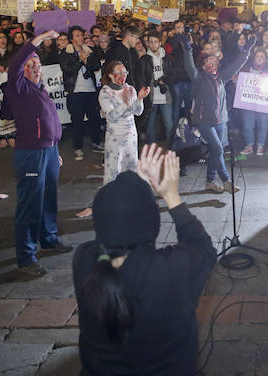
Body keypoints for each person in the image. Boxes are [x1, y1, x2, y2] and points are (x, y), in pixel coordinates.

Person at [73, 144, 215, 376]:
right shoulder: (169, 270)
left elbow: (120, 218)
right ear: (151, 222)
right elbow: (204, 249)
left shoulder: (84, 262)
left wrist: (137, 183)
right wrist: (171, 196)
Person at [1, 29, 72, 278]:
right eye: (30, 65)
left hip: (48, 151)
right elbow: (15, 66)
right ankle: (26, 258)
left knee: (49, 198)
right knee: (30, 205)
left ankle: (49, 239)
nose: (35, 68)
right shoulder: (17, 87)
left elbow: (47, 120)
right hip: (31, 153)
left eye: (38, 64)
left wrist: (54, 149)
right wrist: (37, 41)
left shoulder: (39, 88)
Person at [179, 31, 255, 193]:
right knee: (218, 149)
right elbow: (189, 66)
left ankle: (210, 181)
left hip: (221, 120)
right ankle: (226, 180)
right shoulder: (198, 78)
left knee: (215, 150)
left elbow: (236, 65)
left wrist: (247, 50)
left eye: (214, 61)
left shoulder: (222, 77)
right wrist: (187, 49)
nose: (211, 63)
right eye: (208, 61)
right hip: (204, 121)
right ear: (203, 66)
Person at [98, 60, 149, 184]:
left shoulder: (129, 88)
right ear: (110, 75)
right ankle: (111, 194)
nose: (123, 76)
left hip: (130, 135)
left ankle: (130, 193)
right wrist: (125, 103)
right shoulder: (105, 92)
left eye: (125, 72)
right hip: (115, 136)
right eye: (119, 73)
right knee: (113, 170)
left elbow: (138, 112)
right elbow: (111, 116)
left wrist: (139, 99)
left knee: (131, 168)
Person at [60, 26, 104, 161]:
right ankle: (78, 147)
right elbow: (67, 69)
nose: (80, 38)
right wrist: (80, 60)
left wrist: (86, 60)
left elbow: (97, 66)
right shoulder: (66, 52)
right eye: (77, 36)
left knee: (95, 118)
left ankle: (96, 142)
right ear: (71, 39)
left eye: (81, 35)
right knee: (77, 121)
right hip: (75, 92)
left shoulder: (88, 49)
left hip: (90, 90)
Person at [240, 48, 268, 156]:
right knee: (247, 125)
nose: (259, 58)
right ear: (254, 58)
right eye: (257, 56)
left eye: (262, 56)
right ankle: (249, 146)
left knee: (263, 124)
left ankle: (260, 146)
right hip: (248, 103)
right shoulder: (246, 69)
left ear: (265, 59)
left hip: (262, 103)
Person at [144, 32, 174, 146]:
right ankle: (150, 147)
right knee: (149, 124)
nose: (153, 44)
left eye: (155, 42)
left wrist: (164, 80)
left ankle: (171, 146)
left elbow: (172, 75)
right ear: (148, 43)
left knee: (168, 123)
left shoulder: (167, 58)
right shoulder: (145, 59)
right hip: (151, 96)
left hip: (165, 95)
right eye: (151, 42)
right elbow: (142, 77)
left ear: (160, 43)